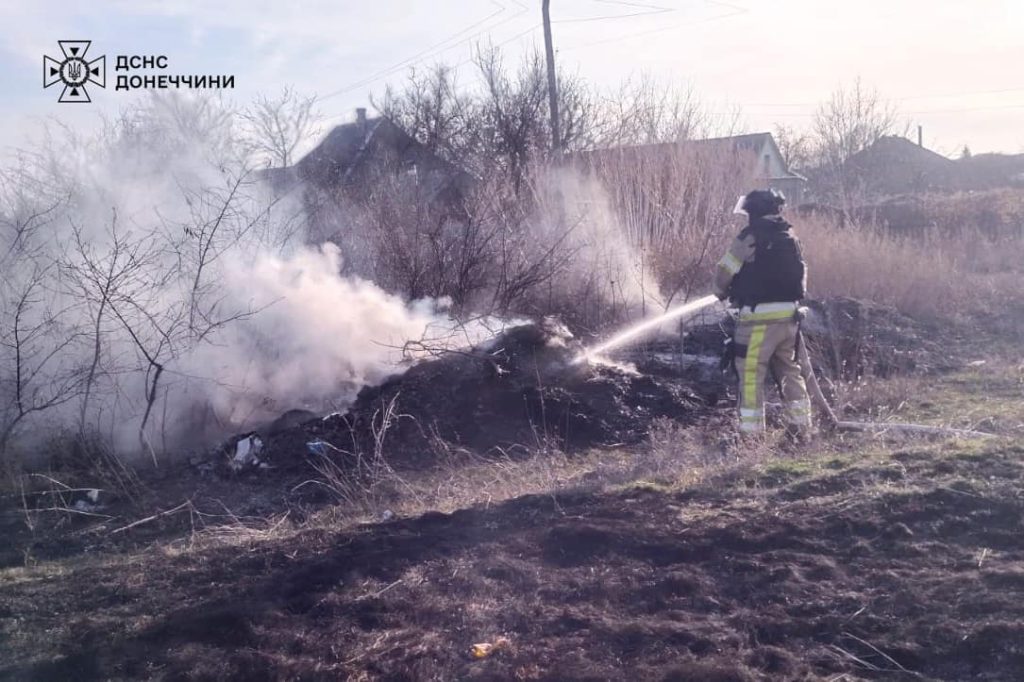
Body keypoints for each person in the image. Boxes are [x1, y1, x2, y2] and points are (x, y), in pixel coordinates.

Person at [713, 188, 813, 438]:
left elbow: (724, 272)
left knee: (750, 374)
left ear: (753, 212)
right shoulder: (790, 235)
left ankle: (751, 437)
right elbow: (801, 274)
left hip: (757, 320)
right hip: (789, 318)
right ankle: (801, 429)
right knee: (790, 371)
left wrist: (722, 291)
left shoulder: (750, 237)